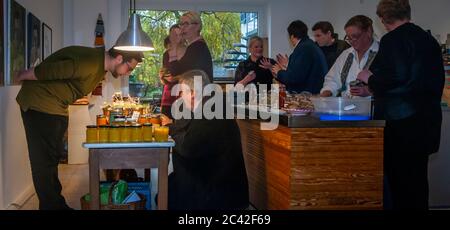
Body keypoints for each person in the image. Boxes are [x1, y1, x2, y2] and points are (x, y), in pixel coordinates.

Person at [16, 46, 143, 210]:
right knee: (44, 164)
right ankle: (52, 207)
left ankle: (56, 205)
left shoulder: (99, 66)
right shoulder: (90, 62)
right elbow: (55, 70)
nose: (128, 73)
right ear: (119, 58)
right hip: (40, 106)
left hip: (52, 107)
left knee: (50, 161)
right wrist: (23, 74)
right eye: (129, 68)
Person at [356, 0, 445, 209]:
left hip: (401, 124)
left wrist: (369, 78)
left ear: (383, 19)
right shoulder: (428, 39)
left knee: (400, 187)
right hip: (427, 122)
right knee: (418, 184)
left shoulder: (392, 40)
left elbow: (394, 77)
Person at [161, 70, 249, 210]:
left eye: (182, 92)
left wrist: (169, 128)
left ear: (193, 93)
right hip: (220, 184)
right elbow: (191, 135)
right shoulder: (212, 105)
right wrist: (172, 127)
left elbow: (187, 148)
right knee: (166, 189)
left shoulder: (209, 112)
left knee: (167, 192)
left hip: (218, 194)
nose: (180, 96)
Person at [320, 15, 379, 98]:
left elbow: (390, 86)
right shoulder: (346, 54)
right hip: (346, 107)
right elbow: (332, 79)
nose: (352, 41)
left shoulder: (382, 53)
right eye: (349, 38)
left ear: (368, 32)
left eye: (355, 37)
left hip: (372, 109)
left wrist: (370, 91)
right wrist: (327, 91)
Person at [272, 20, 328, 94]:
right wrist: (288, 65)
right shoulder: (309, 45)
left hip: (308, 95)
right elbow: (302, 71)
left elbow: (295, 78)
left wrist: (279, 72)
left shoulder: (303, 48)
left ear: (292, 36)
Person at [168, 11, 213, 83]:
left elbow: (175, 71)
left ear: (197, 26)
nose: (182, 28)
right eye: (181, 24)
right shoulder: (198, 45)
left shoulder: (196, 47)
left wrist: (174, 45)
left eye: (186, 24)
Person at [160, 25, 186, 119]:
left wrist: (175, 78)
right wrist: (162, 77)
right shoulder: (166, 54)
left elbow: (192, 75)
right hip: (168, 96)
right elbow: (165, 78)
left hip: (182, 94)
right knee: (165, 123)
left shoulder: (188, 52)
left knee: (179, 126)